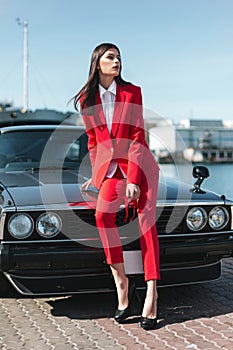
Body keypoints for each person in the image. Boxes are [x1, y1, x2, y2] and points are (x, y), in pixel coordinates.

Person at [73, 43, 160, 330]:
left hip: (140, 168)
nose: (117, 61)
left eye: (119, 57)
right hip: (111, 172)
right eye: (111, 57)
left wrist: (134, 179)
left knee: (147, 224)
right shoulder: (88, 100)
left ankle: (151, 294)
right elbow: (94, 142)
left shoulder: (132, 92)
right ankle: (121, 282)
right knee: (102, 216)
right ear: (97, 62)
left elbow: (137, 136)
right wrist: (97, 176)